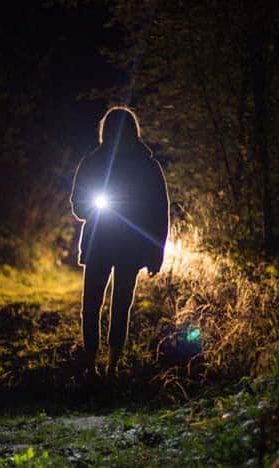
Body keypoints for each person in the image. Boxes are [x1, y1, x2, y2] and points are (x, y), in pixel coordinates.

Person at [70, 105, 169, 377]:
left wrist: (156, 252)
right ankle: (95, 364)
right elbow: (79, 205)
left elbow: (159, 212)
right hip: (109, 244)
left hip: (120, 246)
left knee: (112, 305)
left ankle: (109, 365)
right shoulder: (97, 163)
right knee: (95, 304)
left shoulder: (143, 166)